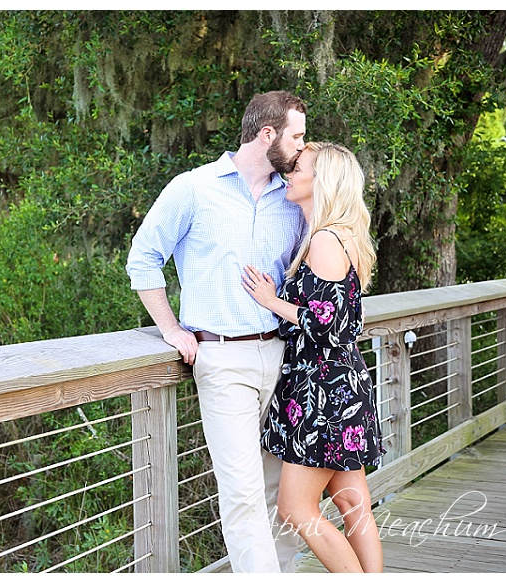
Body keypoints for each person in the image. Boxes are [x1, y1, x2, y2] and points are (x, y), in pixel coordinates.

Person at [126, 90, 307, 572]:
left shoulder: (291, 199)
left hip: (286, 360)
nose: (301, 148)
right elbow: (142, 258)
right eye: (296, 137)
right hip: (222, 360)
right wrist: (169, 327)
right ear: (267, 135)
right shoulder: (193, 189)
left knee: (282, 489)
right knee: (244, 493)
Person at [242, 141, 385, 572]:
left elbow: (327, 325)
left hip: (324, 394)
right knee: (352, 504)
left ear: (320, 180)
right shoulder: (344, 235)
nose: (289, 172)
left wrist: (272, 300)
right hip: (343, 386)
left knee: (295, 509)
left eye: (298, 167)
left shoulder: (324, 240)